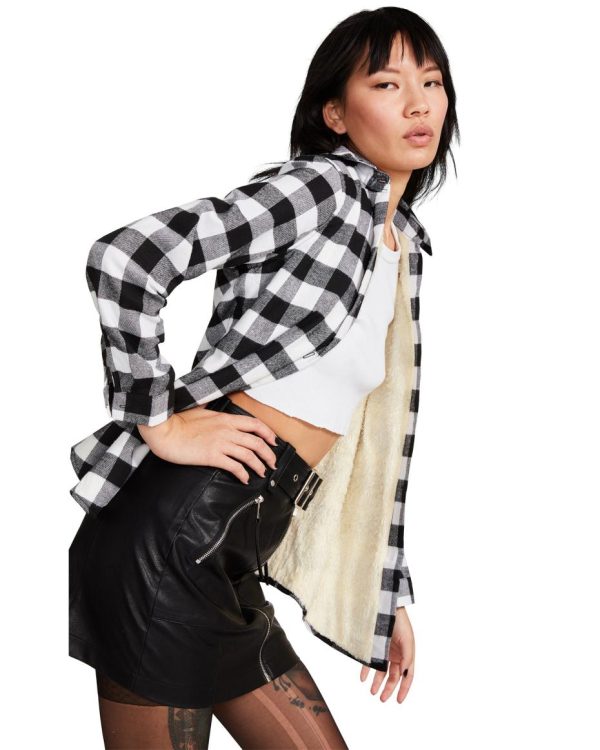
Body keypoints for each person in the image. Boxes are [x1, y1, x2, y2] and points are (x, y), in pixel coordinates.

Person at [68, 7, 458, 748]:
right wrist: (159, 419)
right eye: (387, 83)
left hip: (228, 553)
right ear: (335, 114)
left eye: (432, 82)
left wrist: (385, 593)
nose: (418, 104)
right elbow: (128, 258)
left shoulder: (399, 241)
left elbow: (372, 452)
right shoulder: (321, 190)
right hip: (171, 540)